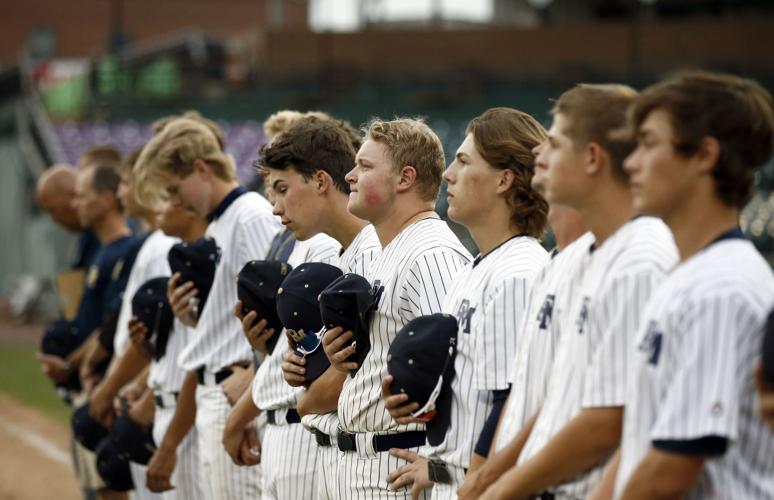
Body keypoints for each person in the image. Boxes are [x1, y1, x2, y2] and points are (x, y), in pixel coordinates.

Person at [467, 84, 678, 500]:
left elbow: (607, 423)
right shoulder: (580, 255)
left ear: (593, 158)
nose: (539, 155)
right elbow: (557, 399)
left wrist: (500, 488)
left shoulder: (642, 259)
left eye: (556, 143)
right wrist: (492, 477)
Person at [590, 71, 774, 500]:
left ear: (704, 155)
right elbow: (647, 438)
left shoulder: (721, 286)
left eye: (649, 144)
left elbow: (672, 468)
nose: (632, 162)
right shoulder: (690, 274)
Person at [379, 107, 550, 498]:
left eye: (464, 160)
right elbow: (470, 392)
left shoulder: (519, 273)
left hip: (483, 487)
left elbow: (508, 405)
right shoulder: (478, 266)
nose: (447, 174)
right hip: (454, 479)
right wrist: (420, 400)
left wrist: (472, 483)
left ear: (504, 179)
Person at [226, 115, 381, 499]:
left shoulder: (372, 250)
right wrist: (303, 362)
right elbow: (336, 358)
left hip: (365, 453)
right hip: (335, 448)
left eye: (282, 188)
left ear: (321, 181)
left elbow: (366, 371)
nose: (276, 207)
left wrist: (308, 396)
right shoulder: (346, 253)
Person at [322, 117, 472, 498]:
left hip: (396, 464)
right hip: (363, 461)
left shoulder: (431, 253)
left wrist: (442, 464)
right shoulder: (392, 247)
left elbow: (457, 368)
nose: (350, 176)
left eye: (366, 166)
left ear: (405, 178)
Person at [134, 117, 280, 500]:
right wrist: (195, 318)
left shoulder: (249, 215)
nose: (175, 200)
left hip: (233, 392)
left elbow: (281, 308)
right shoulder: (222, 222)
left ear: (200, 169)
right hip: (212, 392)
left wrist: (252, 378)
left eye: (174, 188)